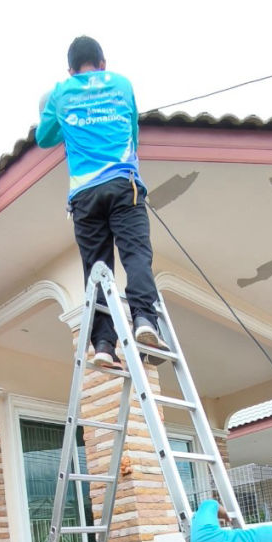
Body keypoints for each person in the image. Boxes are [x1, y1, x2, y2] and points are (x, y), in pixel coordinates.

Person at [36, 36, 169, 369]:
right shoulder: (122, 85)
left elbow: (43, 138)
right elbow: (133, 136)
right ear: (103, 62)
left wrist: (68, 120)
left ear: (70, 69)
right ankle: (144, 321)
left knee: (97, 270)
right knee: (136, 254)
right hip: (124, 185)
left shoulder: (60, 92)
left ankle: (104, 346)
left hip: (84, 195)